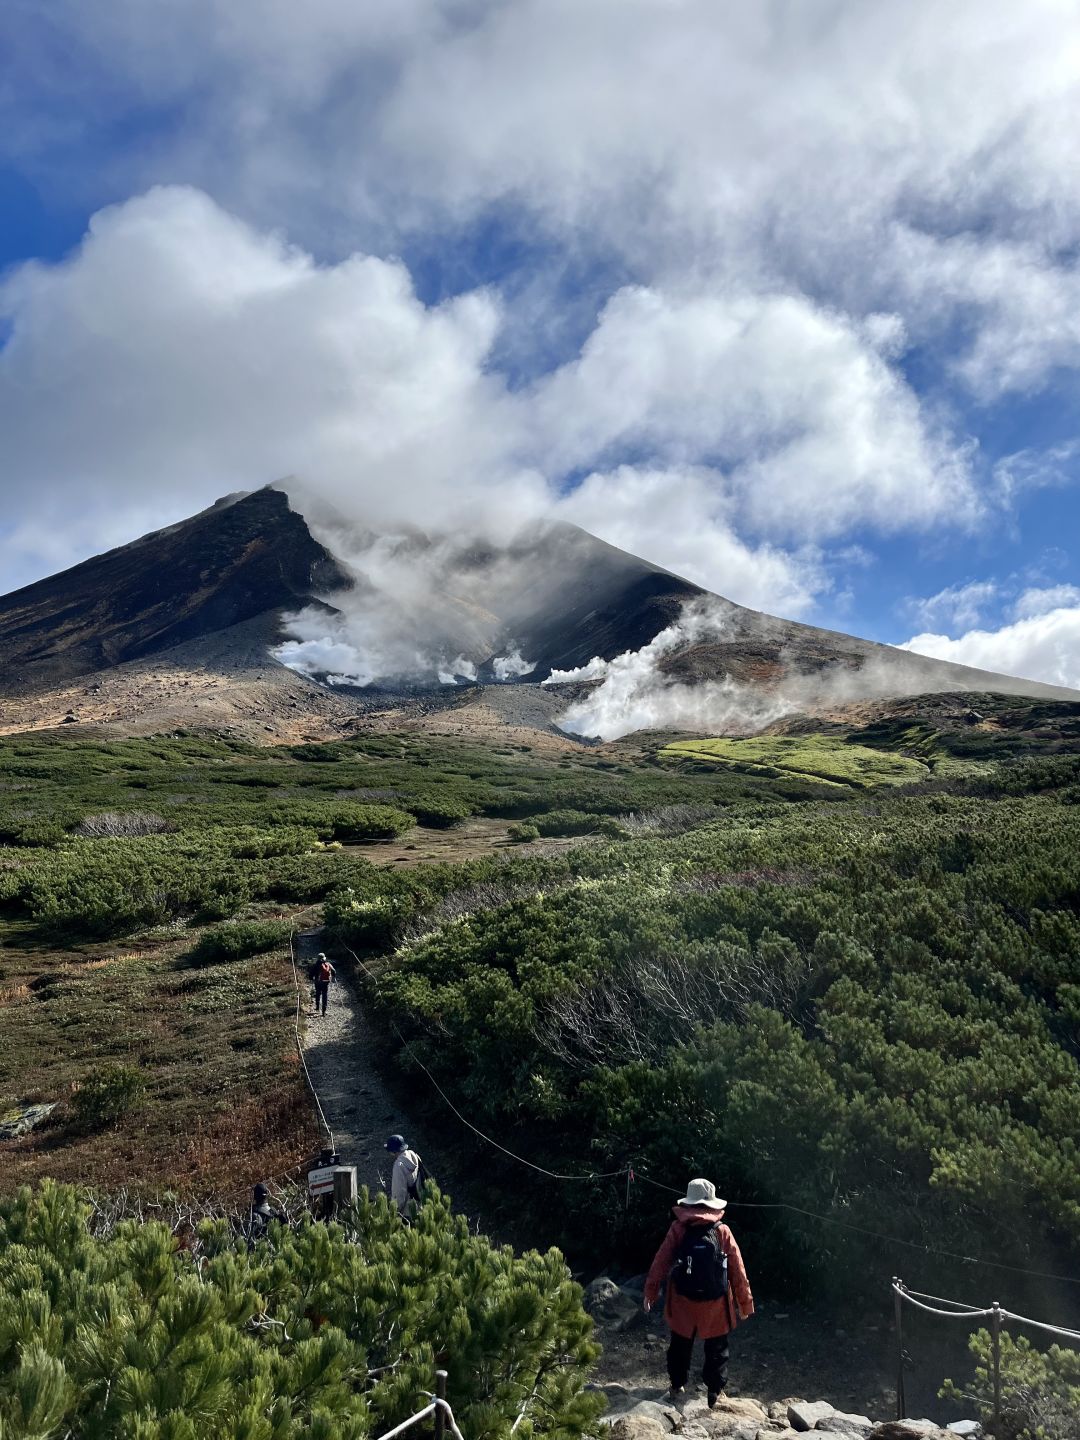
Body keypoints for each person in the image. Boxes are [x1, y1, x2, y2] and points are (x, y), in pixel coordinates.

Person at [643, 1177, 754, 1406]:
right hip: (715, 1304)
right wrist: (745, 1304)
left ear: (689, 1202)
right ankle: (714, 1392)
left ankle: (676, 1386)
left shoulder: (678, 1228)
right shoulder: (722, 1230)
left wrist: (650, 1292)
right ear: (712, 1204)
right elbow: (737, 1270)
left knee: (680, 1346)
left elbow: (661, 1261)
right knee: (717, 1348)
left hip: (683, 1301)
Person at [385, 1133, 425, 1219]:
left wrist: (394, 1212)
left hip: (407, 1212)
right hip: (420, 1206)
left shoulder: (399, 1166)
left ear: (393, 1151)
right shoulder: (414, 1155)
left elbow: (399, 1193)